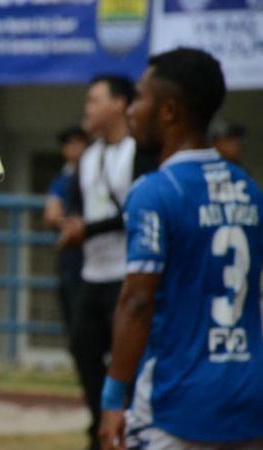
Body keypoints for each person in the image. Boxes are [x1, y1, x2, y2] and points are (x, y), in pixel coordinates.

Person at [99, 48, 263, 450]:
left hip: (176, 404)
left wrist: (111, 399)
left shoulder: (155, 192)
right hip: (249, 398)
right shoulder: (249, 188)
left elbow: (137, 301)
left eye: (139, 98)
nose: (131, 110)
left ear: (169, 111)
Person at [57, 74, 156, 450]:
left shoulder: (139, 152)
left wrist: (90, 230)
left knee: (127, 357)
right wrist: (72, 224)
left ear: (119, 103)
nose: (88, 108)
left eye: (95, 100)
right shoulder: (89, 156)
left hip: (125, 273)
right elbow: (79, 205)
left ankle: (128, 427)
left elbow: (137, 211)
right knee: (83, 350)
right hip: (91, 274)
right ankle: (102, 426)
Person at [44, 126, 89, 336]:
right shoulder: (63, 178)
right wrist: (68, 224)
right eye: (68, 144)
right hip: (71, 258)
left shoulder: (96, 173)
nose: (73, 148)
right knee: (73, 319)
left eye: (78, 142)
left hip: (96, 254)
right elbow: (51, 213)